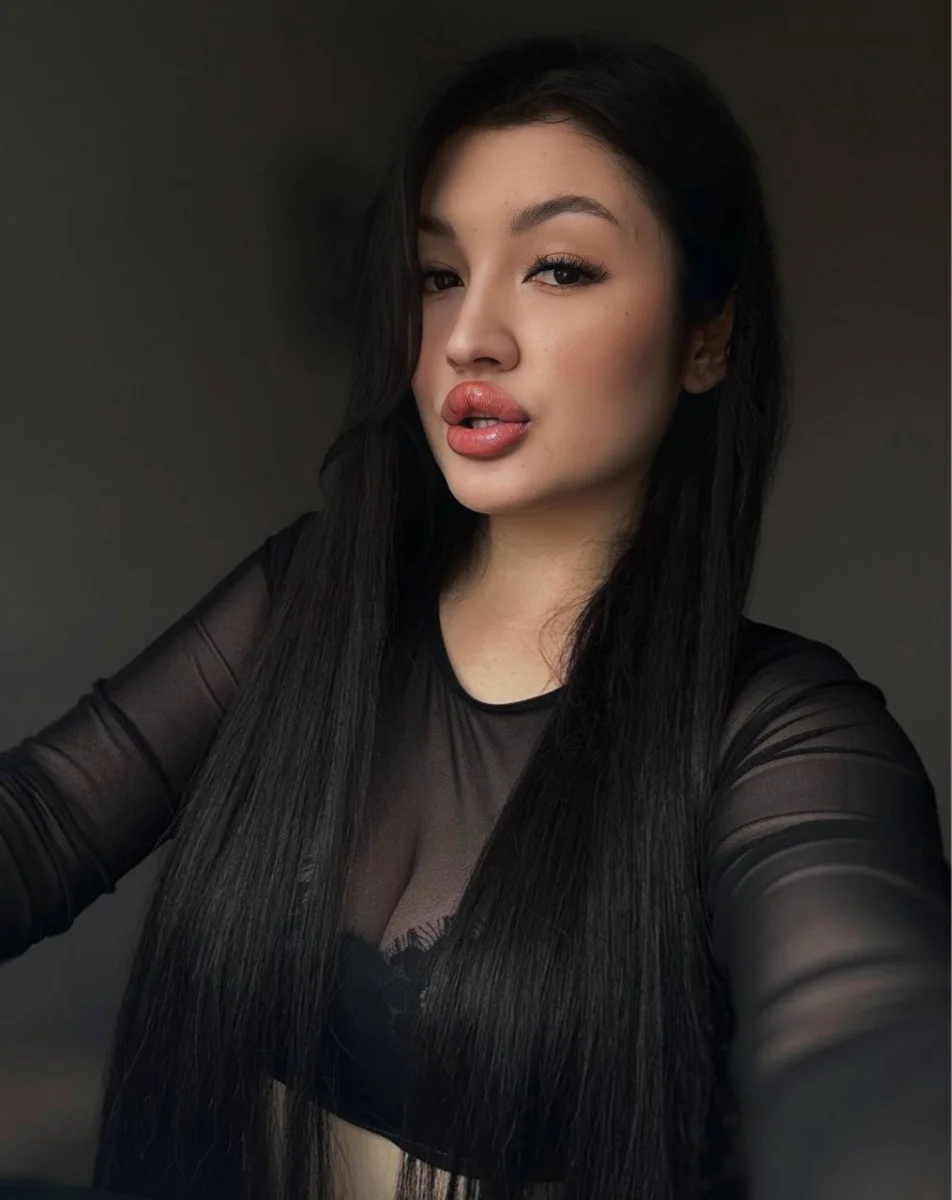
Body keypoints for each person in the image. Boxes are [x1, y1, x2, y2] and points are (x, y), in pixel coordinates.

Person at [0, 30, 948, 1200]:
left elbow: (863, 1045)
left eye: (558, 268)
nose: (466, 338)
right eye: (439, 275)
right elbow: (38, 822)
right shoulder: (311, 599)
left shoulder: (778, 732)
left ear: (706, 337)